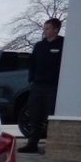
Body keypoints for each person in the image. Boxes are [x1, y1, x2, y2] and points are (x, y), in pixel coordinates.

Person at [20, 18, 64, 153]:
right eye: (44, 29)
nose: (45, 31)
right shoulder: (39, 46)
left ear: (56, 29)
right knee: (34, 115)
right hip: (37, 86)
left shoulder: (63, 44)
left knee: (51, 115)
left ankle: (52, 146)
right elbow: (32, 64)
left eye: (47, 28)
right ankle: (32, 144)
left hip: (54, 87)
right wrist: (31, 80)